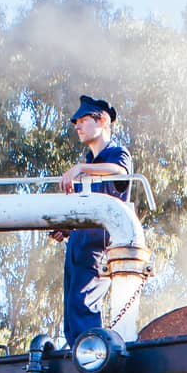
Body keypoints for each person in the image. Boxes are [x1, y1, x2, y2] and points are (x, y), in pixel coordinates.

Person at [55, 95, 133, 343]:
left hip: (98, 246)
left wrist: (81, 169)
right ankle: (77, 351)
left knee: (84, 304)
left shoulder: (116, 154)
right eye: (75, 122)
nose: (77, 126)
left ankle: (90, 355)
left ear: (102, 120)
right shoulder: (90, 164)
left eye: (82, 120)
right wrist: (66, 229)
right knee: (71, 307)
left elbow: (121, 173)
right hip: (78, 246)